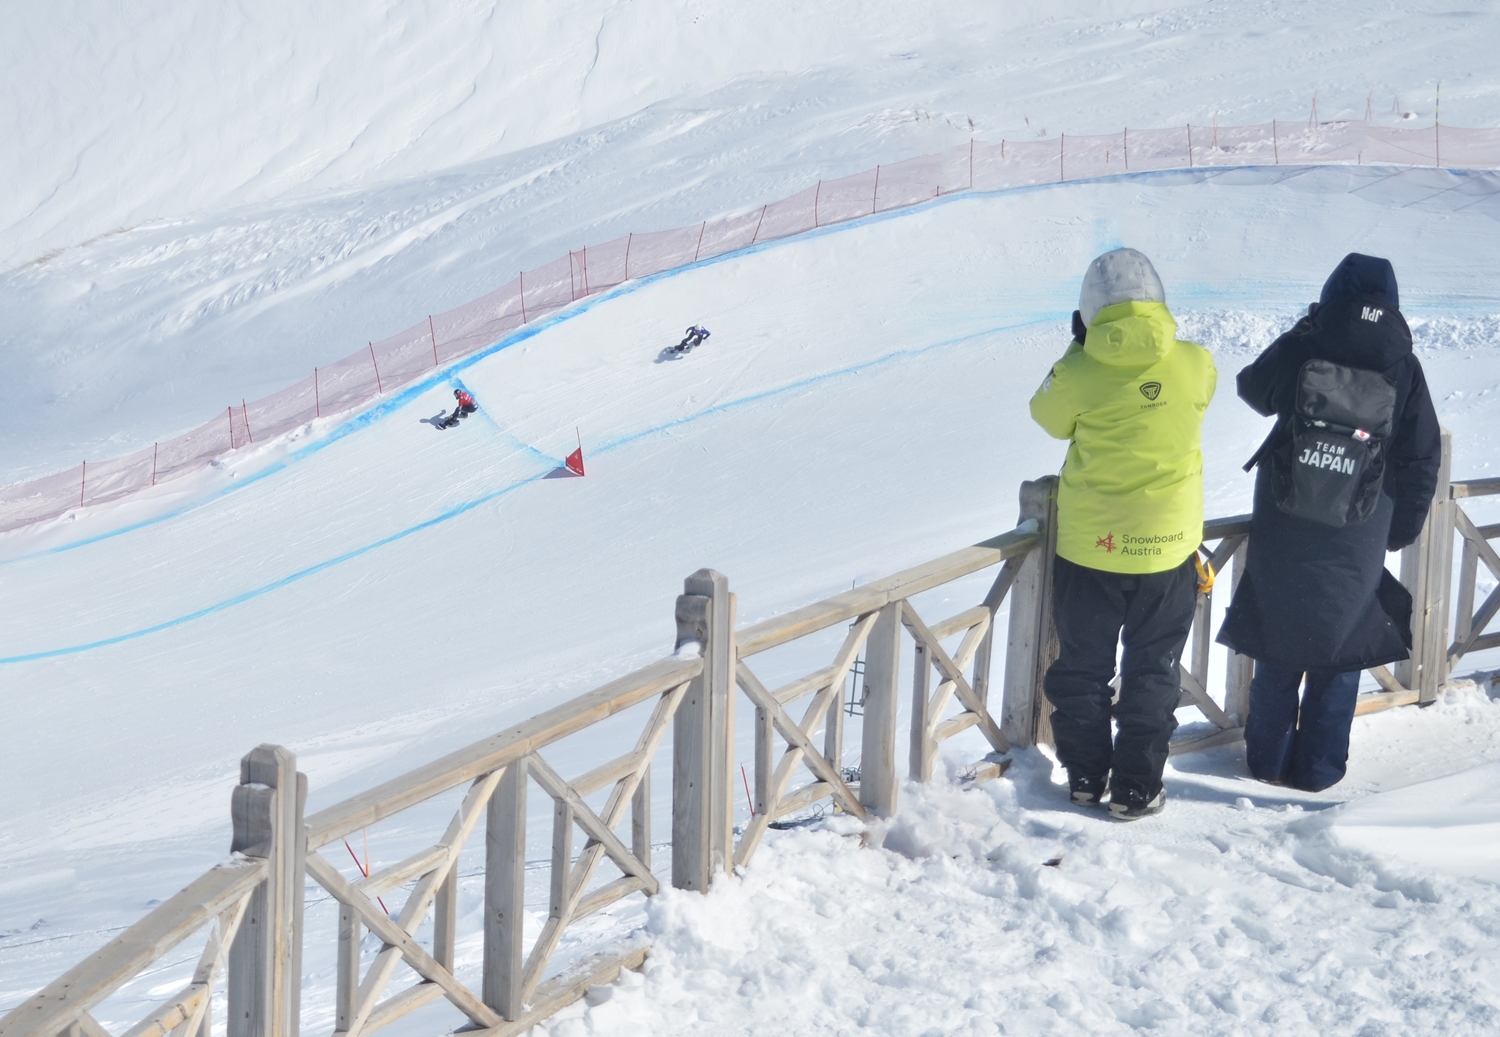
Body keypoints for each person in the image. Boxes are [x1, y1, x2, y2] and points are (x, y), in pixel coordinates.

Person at [1217, 253, 1441, 791]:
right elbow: (1421, 457)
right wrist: (1400, 531)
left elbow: (1253, 389)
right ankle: (1318, 772)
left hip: (1286, 516)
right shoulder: (1403, 367)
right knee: (1343, 639)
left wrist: (1303, 329)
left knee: (1279, 632)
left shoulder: (1307, 345)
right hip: (1361, 526)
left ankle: (1267, 763)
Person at [1030, 248, 1218, 820]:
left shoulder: (1077, 372)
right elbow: (1199, 398)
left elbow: (1046, 416)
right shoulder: (1194, 362)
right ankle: (1138, 786)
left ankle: (1087, 774)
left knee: (1083, 667)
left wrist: (1078, 348)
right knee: (1152, 669)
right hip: (1169, 548)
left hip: (1092, 547)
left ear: (1087, 312)